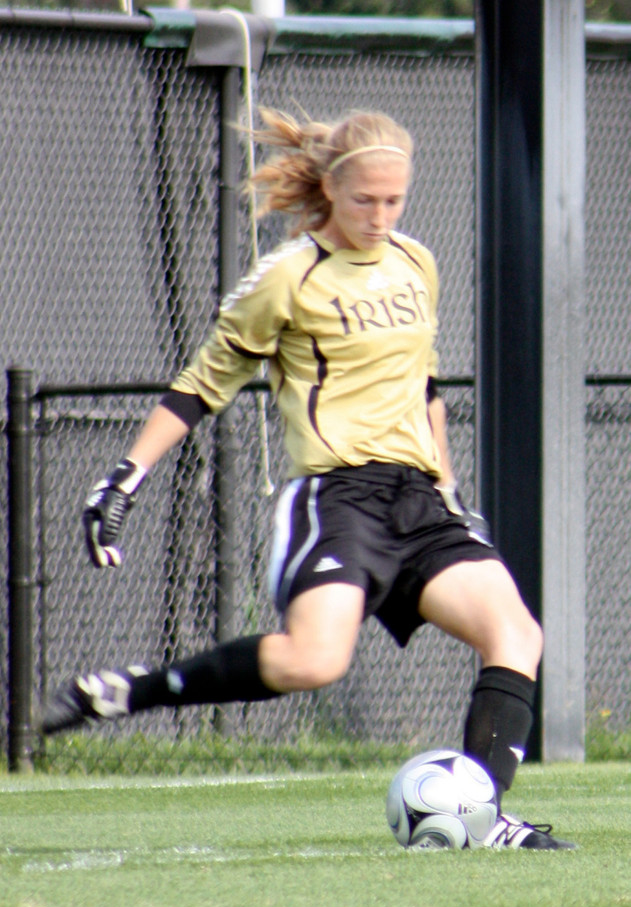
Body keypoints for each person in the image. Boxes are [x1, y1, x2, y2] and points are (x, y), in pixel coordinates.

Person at [42, 108, 573, 850]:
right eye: (365, 200)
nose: (380, 216)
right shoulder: (288, 276)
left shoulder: (416, 263)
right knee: (314, 661)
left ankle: (484, 817)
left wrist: (450, 490)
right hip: (338, 498)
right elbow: (202, 384)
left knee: (515, 632)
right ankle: (134, 690)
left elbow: (422, 386)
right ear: (331, 189)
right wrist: (125, 477)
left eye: (394, 200)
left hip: (419, 499)